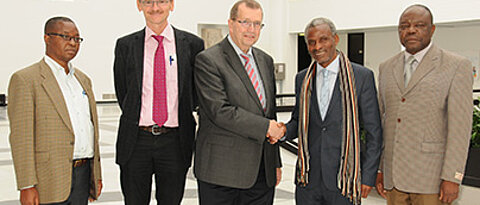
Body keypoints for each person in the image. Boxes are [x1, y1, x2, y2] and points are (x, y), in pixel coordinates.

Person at [375, 4, 473, 205]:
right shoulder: (386, 67)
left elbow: (460, 129)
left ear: (432, 29)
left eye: (419, 25)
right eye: (404, 26)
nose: (411, 30)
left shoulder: (456, 66)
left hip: (432, 181)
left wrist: (452, 177)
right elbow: (383, 123)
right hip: (394, 179)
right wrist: (380, 168)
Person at [113, 0, 204, 204]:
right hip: (136, 141)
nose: (155, 8)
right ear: (139, 5)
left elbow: (195, 92)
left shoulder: (192, 44)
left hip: (175, 141)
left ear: (171, 4)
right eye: (148, 2)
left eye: (162, 1)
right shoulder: (125, 45)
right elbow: (123, 92)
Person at [193, 0, 284, 204]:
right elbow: (220, 111)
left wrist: (274, 162)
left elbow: (269, 113)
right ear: (231, 23)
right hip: (222, 173)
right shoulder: (208, 60)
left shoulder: (265, 60)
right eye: (245, 22)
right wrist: (266, 127)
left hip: (261, 172)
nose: (251, 29)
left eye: (257, 24)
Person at [284, 17, 383, 205]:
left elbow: (374, 132)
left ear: (335, 39)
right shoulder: (302, 79)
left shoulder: (361, 77)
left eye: (323, 40)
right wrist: (280, 132)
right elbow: (298, 121)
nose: (317, 47)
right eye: (311, 42)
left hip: (344, 180)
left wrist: (369, 175)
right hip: (308, 180)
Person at [8, 16, 102, 205]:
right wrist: (26, 185)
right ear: (47, 38)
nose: (73, 43)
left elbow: (91, 129)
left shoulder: (83, 80)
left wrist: (95, 175)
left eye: (77, 39)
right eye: (65, 37)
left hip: (82, 176)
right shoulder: (26, 79)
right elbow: (21, 138)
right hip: (48, 180)